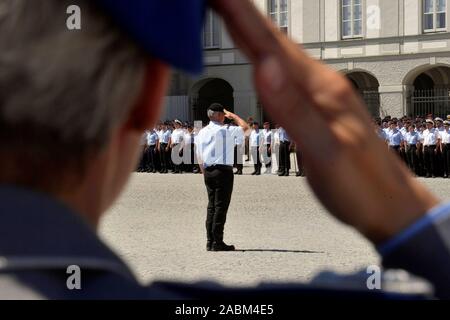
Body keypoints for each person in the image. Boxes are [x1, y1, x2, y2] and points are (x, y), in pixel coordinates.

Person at [2, 0, 450, 300]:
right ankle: (213, 241)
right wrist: (403, 205)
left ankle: (217, 239)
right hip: (214, 167)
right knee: (216, 207)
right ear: (146, 100)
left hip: (221, 167)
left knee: (220, 205)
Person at [195, 104, 249, 251]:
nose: (225, 117)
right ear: (219, 115)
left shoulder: (202, 132)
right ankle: (217, 241)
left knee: (211, 206)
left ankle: (210, 241)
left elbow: (199, 155)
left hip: (208, 171)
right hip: (223, 172)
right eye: (223, 114)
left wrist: (204, 172)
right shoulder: (226, 130)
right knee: (220, 207)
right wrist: (234, 116)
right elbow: (246, 128)